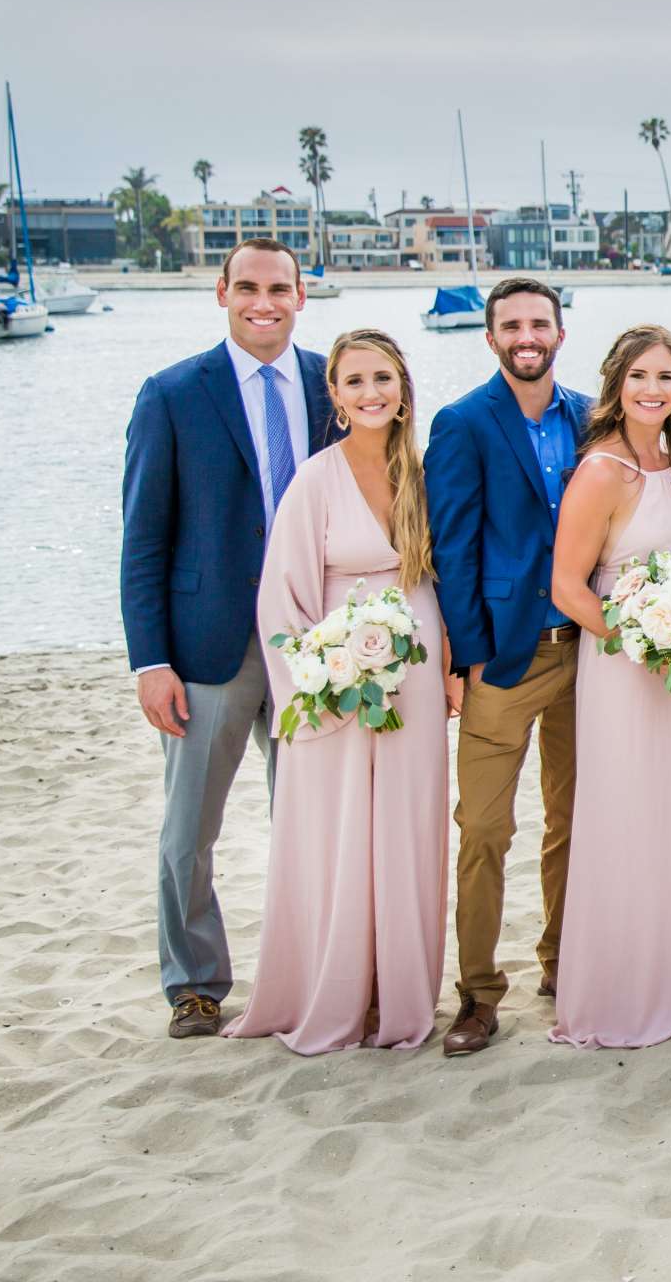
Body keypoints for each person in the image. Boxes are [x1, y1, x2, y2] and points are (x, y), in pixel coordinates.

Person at [122, 237, 335, 1039]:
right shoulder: (173, 394)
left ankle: (314, 965)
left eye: (278, 288)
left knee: (313, 819)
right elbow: (143, 539)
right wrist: (151, 660)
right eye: (247, 287)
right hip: (207, 649)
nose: (263, 303)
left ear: (300, 295)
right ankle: (195, 983)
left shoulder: (332, 385)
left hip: (314, 645)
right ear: (221, 292)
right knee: (189, 831)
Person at [231, 329, 457, 1053]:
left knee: (406, 824)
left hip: (415, 672)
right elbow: (281, 598)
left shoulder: (422, 474)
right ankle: (337, 990)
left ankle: (397, 994)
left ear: (403, 387)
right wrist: (316, 678)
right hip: (337, 675)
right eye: (355, 382)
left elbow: (441, 579)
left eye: (382, 378)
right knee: (337, 830)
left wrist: (450, 663)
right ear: (333, 395)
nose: (371, 394)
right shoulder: (313, 481)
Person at [546, 327, 671, 1047]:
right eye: (639, 376)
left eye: (665, 377)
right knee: (627, 816)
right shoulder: (602, 470)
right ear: (616, 385)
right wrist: (640, 640)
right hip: (626, 672)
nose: (653, 389)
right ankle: (621, 989)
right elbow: (568, 586)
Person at [423, 278, 592, 1055]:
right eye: (511, 325)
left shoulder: (593, 418)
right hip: (503, 660)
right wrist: (469, 657)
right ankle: (478, 994)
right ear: (490, 337)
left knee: (576, 823)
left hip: (586, 657)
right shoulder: (461, 423)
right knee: (485, 828)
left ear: (559, 332)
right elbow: (452, 549)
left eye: (539, 323)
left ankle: (561, 963)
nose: (527, 336)